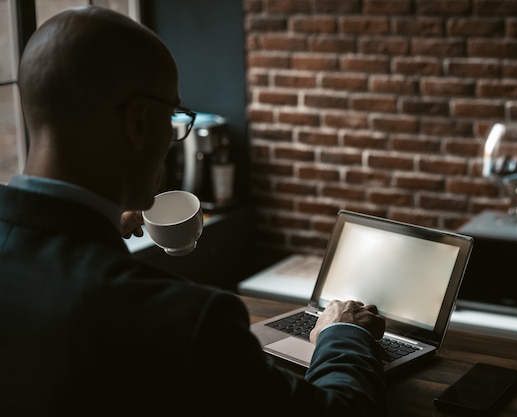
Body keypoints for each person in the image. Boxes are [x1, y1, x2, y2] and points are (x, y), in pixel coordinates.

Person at [0, 6, 387, 416]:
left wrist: (96, 222)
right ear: (139, 121)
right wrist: (342, 333)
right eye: (173, 116)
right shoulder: (188, 322)